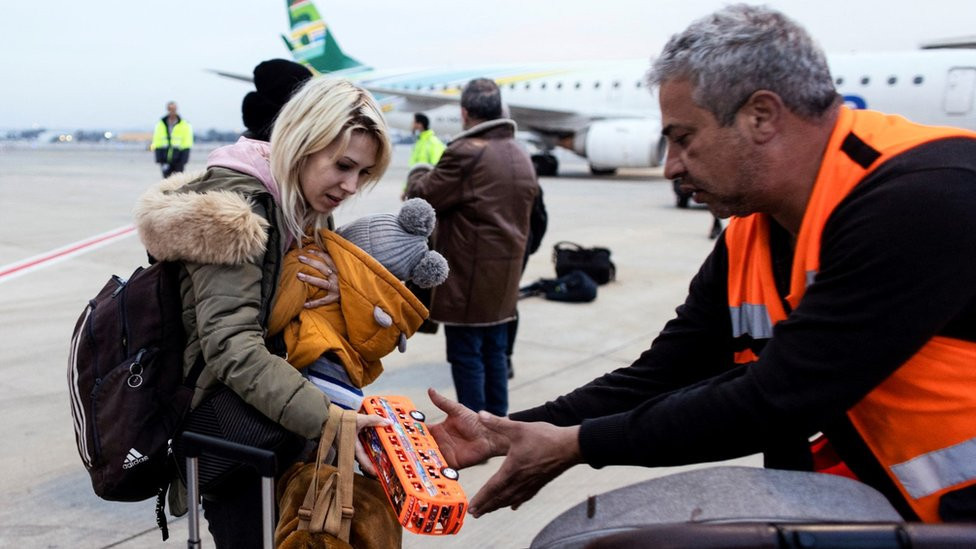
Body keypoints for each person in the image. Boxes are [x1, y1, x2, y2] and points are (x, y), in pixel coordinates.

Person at [426, 4, 976, 524]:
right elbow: (663, 373)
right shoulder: (754, 233)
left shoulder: (923, 199)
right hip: (889, 505)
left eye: (683, 139)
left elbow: (776, 399)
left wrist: (577, 445)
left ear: (761, 116)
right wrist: (505, 432)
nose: (670, 167)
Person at [133, 77, 393, 547]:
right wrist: (330, 421)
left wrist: (340, 291)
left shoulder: (302, 204)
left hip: (285, 418)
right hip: (234, 436)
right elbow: (231, 347)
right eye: (343, 166)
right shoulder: (236, 213)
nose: (351, 186)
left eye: (363, 173)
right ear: (302, 143)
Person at [405, 78, 540, 417]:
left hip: (469, 273)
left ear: (465, 112)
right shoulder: (520, 154)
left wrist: (418, 172)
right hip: (506, 273)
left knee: (466, 353)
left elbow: (423, 196)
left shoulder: (467, 153)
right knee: (495, 350)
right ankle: (496, 425)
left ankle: (473, 430)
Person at [267, 197, 449, 411]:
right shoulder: (374, 307)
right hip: (343, 387)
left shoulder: (311, 265)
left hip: (306, 381)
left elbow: (268, 322)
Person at [150, 101, 194, 177]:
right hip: (164, 157)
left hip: (179, 157)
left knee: (178, 181)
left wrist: (184, 159)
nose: (172, 111)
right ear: (167, 109)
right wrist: (158, 158)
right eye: (170, 109)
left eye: (173, 109)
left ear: (176, 109)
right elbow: (157, 141)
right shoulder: (161, 124)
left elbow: (187, 142)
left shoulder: (184, 124)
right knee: (166, 181)